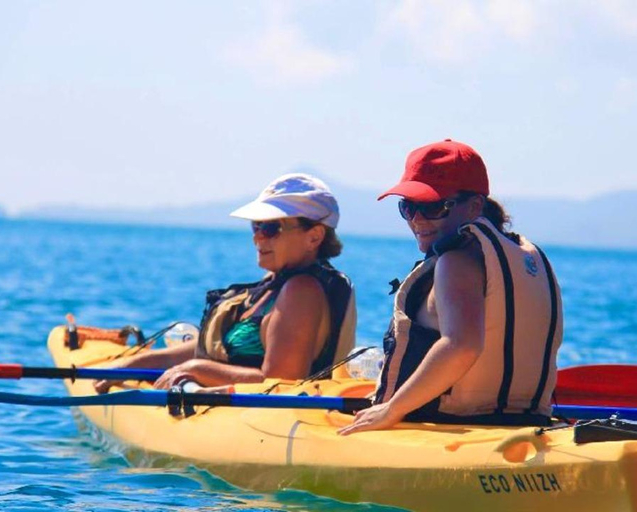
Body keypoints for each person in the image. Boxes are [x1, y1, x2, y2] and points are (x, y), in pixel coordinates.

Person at [339, 139, 563, 435]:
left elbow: (462, 345)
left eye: (433, 206)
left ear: (474, 206)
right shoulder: (524, 258)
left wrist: (392, 410)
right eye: (408, 207)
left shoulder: (455, 262)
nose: (418, 219)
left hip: (453, 428)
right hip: (526, 425)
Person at [95, 173, 356, 393]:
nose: (258, 239)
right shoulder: (274, 284)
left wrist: (194, 370)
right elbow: (209, 351)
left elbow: (281, 383)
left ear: (314, 237)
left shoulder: (302, 292)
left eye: (271, 228)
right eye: (256, 226)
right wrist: (133, 364)